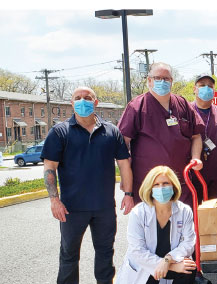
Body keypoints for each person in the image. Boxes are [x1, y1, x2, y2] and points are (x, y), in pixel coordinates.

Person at [41, 87, 134, 284]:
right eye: (78, 98)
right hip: (71, 209)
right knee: (69, 256)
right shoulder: (59, 132)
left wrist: (128, 193)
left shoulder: (111, 131)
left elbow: (124, 164)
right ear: (72, 103)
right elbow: (50, 167)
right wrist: (54, 200)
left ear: (96, 102)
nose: (83, 101)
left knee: (105, 255)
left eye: (87, 98)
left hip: (104, 208)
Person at [118, 62, 204, 208]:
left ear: (171, 82)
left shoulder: (182, 104)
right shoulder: (137, 107)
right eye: (158, 78)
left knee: (182, 227)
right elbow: (121, 145)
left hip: (180, 184)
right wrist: (127, 183)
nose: (162, 82)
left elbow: (196, 135)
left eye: (166, 79)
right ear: (149, 80)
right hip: (147, 186)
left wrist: (196, 157)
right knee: (151, 228)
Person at [115, 166, 199, 284]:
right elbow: (137, 250)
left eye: (165, 183)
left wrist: (168, 259)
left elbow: (189, 243)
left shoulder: (184, 211)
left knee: (189, 267)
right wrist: (169, 266)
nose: (161, 188)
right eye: (156, 184)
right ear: (150, 188)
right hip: (144, 268)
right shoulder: (138, 213)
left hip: (170, 261)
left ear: (174, 187)